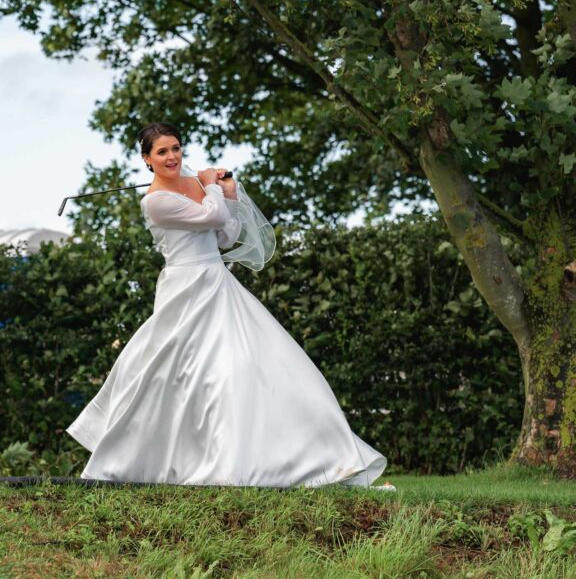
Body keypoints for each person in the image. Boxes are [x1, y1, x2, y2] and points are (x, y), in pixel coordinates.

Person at [66, 123, 387, 487]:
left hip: (218, 283)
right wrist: (213, 187)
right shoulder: (155, 201)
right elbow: (211, 216)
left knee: (253, 365)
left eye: (176, 148)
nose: (172, 157)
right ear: (147, 159)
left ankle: (296, 459)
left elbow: (225, 234)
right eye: (162, 152)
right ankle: (143, 459)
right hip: (184, 290)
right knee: (172, 374)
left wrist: (227, 192)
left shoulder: (196, 184)